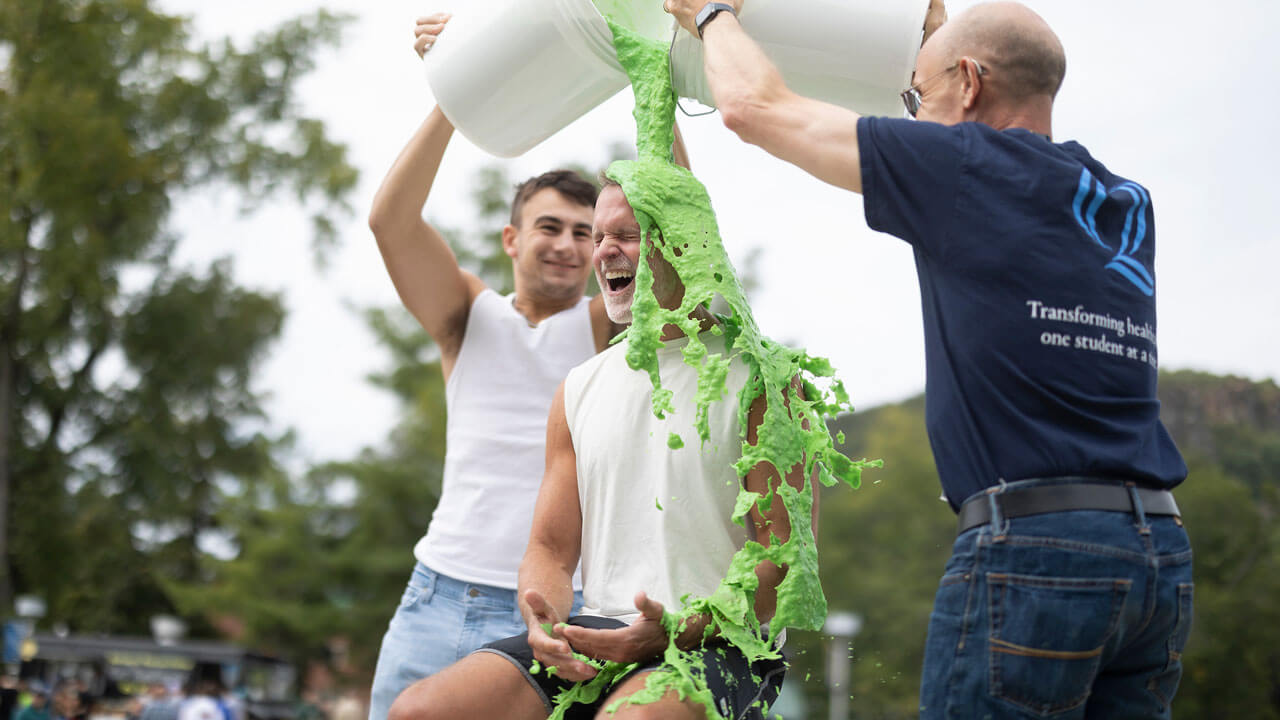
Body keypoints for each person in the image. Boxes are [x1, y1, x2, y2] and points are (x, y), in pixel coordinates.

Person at [663, 0, 1193, 717]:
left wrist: (711, 14)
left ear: (970, 82)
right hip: (1156, 554)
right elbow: (974, 134)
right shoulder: (1122, 202)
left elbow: (753, 107)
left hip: (1037, 551)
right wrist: (923, 36)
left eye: (917, 95)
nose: (912, 116)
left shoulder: (966, 168)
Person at [365, 16, 690, 720]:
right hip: (436, 595)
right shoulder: (466, 317)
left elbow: (679, 239)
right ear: (512, 238)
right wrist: (459, 80)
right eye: (550, 227)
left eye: (586, 232)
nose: (570, 246)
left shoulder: (604, 329)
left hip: (548, 613)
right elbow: (391, 222)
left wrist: (645, 69)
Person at [387, 177, 802, 720]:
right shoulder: (578, 386)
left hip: (725, 642)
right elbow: (551, 551)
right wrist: (544, 620)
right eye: (600, 235)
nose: (601, 250)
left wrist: (671, 632)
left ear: (685, 243)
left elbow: (784, 565)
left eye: (626, 234)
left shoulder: (764, 379)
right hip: (601, 628)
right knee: (419, 712)